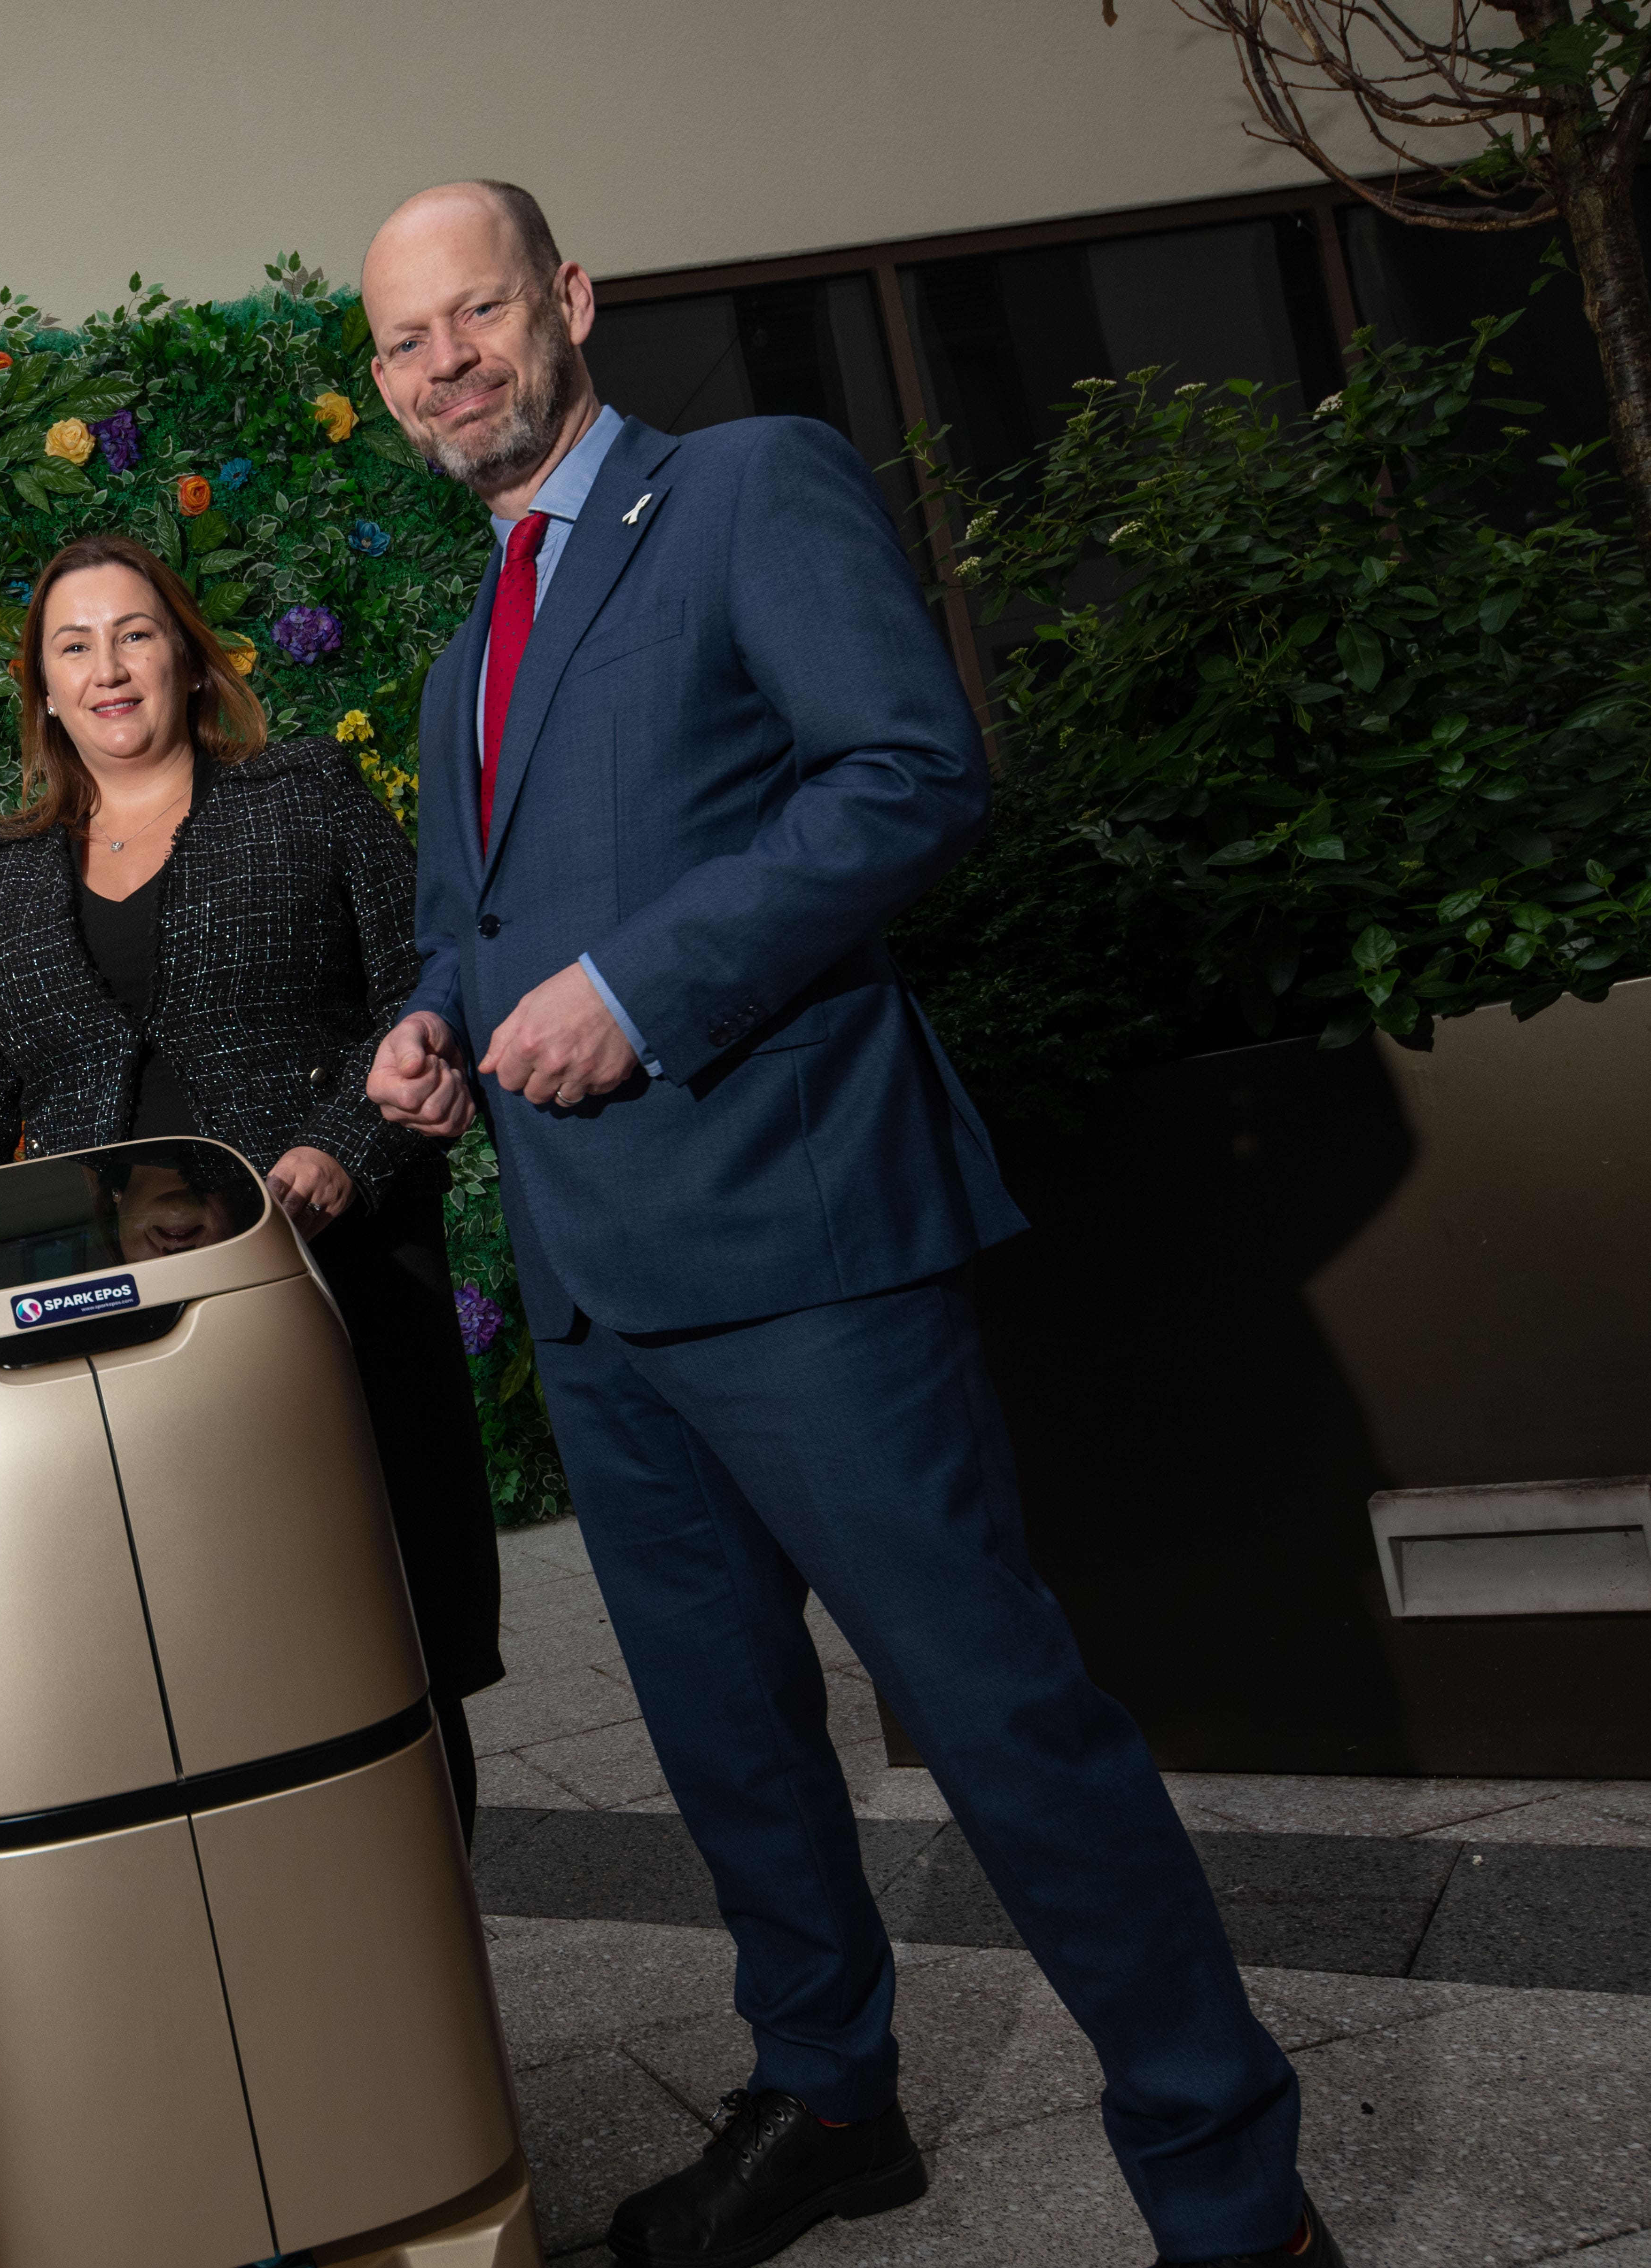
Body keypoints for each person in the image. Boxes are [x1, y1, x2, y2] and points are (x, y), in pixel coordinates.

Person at [358, 182, 1341, 2268]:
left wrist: (637, 991)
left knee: (1001, 1716)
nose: (442, 362)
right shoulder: (465, 646)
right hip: (602, 1297)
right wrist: (436, 1025)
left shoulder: (743, 491)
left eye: (475, 313)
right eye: (402, 342)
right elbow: (473, 923)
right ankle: (827, 2097)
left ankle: (1230, 2190)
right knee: (730, 1745)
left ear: (569, 303)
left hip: (803, 1246)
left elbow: (907, 773)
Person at [0, 530, 504, 1826]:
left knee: (375, 1628)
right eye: (75, 647)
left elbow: (423, 984)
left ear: (185, 655)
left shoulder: (304, 793)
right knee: (175, 1640)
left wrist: (344, 1154)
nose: (109, 668)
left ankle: (420, 1944)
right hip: (107, 1329)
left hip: (327, 1282)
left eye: (134, 633)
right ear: (45, 692)